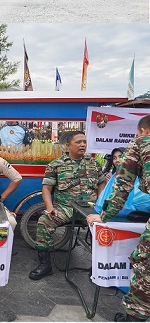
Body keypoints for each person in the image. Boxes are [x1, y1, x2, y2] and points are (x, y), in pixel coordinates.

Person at [87, 115, 150, 321]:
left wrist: (103, 216)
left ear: (142, 131)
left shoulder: (140, 143)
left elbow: (122, 188)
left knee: (144, 267)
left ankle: (136, 317)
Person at [29, 130, 104, 281]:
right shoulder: (56, 165)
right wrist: (50, 207)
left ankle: (98, 266)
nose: (83, 145)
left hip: (90, 209)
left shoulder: (94, 164)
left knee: (104, 226)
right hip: (65, 208)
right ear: (68, 145)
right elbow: (46, 188)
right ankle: (45, 265)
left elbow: (102, 182)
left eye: (84, 142)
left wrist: (100, 204)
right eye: (78, 142)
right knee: (44, 221)